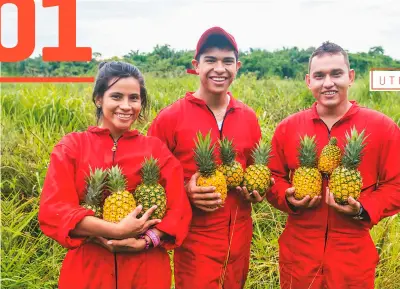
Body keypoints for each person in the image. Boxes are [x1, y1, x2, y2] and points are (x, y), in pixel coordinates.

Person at [38, 61, 192, 289]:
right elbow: (54, 210)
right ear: (99, 99)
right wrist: (116, 230)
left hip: (146, 271)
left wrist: (148, 240)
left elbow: (179, 209)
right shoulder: (72, 147)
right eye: (117, 96)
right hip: (89, 269)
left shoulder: (155, 150)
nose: (126, 106)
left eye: (134, 98)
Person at [267, 41, 400, 289]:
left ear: (350, 77)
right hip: (299, 251)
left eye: (336, 74)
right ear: (309, 81)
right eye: (319, 76)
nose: (328, 83)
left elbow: (397, 185)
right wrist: (286, 197)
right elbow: (273, 177)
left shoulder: (382, 128)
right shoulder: (288, 128)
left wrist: (364, 208)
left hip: (353, 252)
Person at [148, 26, 270, 289]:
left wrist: (256, 190)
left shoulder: (248, 117)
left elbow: (254, 169)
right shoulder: (170, 118)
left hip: (240, 236)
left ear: (237, 66)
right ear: (196, 65)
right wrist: (185, 192)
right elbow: (148, 182)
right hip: (195, 240)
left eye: (227, 61)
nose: (219, 68)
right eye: (210, 60)